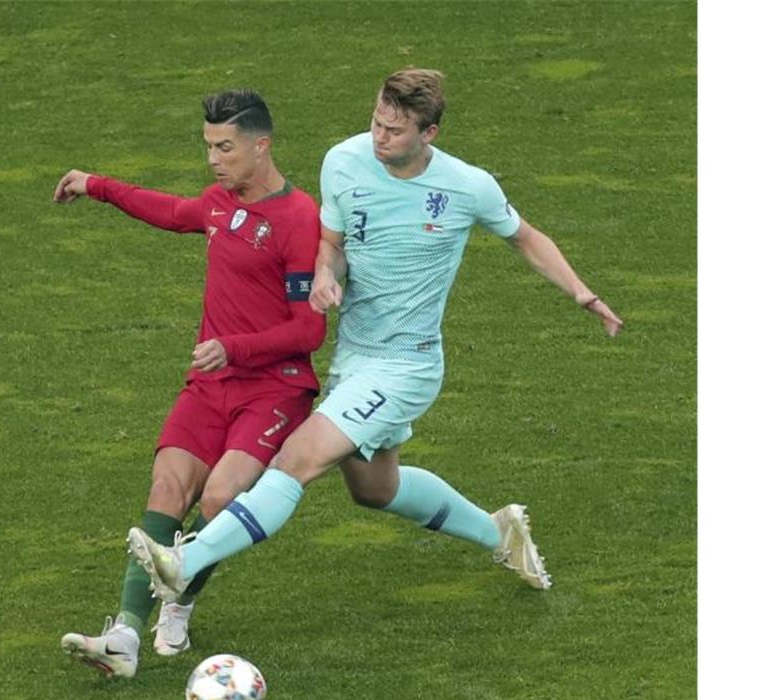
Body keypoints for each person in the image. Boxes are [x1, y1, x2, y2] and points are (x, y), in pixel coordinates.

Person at [128, 68, 624, 603]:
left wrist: (580, 291)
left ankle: (186, 561)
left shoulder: (467, 186)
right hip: (355, 358)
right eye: (376, 122)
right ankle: (499, 532)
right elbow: (334, 245)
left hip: (407, 365)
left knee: (298, 456)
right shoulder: (343, 161)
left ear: (428, 133)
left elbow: (526, 238)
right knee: (375, 489)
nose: (379, 137)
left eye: (394, 130)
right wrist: (324, 275)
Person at [53, 90, 325, 678]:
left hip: (274, 389)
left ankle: (179, 601)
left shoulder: (300, 218)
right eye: (208, 147)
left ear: (262, 144)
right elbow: (172, 211)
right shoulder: (219, 204)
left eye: (225, 148)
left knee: (221, 498)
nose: (214, 160)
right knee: (167, 488)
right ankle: (124, 635)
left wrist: (234, 346)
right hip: (209, 384)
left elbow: (309, 330)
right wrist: (94, 184)